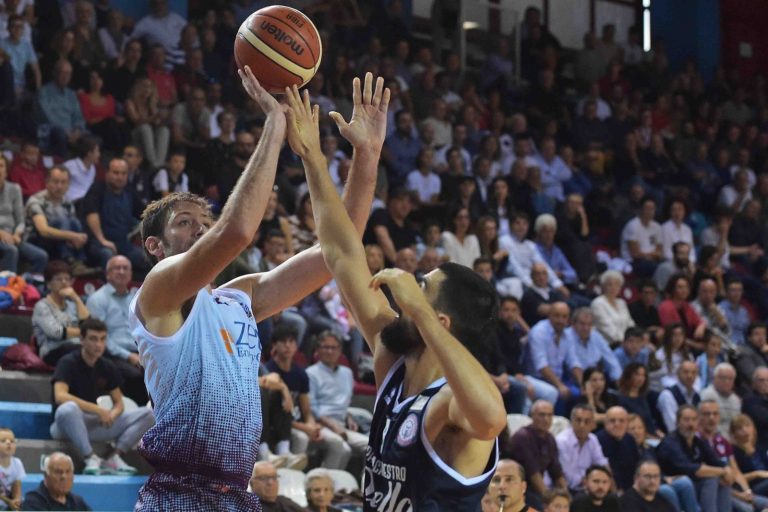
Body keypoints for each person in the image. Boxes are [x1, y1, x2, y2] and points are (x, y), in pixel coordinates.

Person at [129, 70, 387, 509]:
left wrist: (367, 154)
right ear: (155, 245)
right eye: (185, 223)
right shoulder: (158, 292)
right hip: (180, 493)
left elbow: (336, 250)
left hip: (237, 493)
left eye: (204, 223)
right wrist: (274, 124)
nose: (199, 230)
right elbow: (236, 231)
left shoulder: (238, 297)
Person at [285, 75, 506, 510]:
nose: (405, 292)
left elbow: (492, 417)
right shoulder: (394, 361)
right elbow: (341, 251)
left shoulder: (449, 400)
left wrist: (420, 313)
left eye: (421, 290)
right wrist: (319, 157)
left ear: (439, 321)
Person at [51, 318, 154, 475]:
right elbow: (60, 396)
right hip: (65, 425)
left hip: (93, 424)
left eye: (102, 339)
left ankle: (114, 457)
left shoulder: (107, 366)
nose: (98, 344)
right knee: (68, 409)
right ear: (82, 340)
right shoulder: (67, 362)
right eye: (93, 339)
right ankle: (90, 457)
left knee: (149, 414)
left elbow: (119, 403)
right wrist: (98, 410)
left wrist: (112, 414)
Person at [86, 256, 147, 404]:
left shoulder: (135, 299)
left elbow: (144, 330)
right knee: (137, 377)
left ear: (131, 274)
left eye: (125, 268)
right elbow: (98, 336)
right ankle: (140, 416)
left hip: (138, 353)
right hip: (110, 354)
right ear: (107, 274)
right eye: (117, 268)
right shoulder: (97, 299)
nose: (121, 271)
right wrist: (129, 356)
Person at [305, 331, 369, 469]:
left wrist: (348, 416)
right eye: (325, 347)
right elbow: (311, 408)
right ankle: (325, 481)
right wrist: (334, 426)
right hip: (320, 425)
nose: (330, 351)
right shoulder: (311, 373)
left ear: (340, 351)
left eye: (334, 347)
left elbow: (343, 403)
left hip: (341, 424)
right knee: (340, 446)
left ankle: (366, 482)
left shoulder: (347, 373)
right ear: (318, 350)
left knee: (370, 447)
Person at [656, 405, 732, 512]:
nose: (690, 424)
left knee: (721, 479)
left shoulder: (698, 441)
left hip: (692, 483)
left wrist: (727, 470)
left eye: (694, 419)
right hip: (672, 483)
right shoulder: (671, 442)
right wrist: (723, 471)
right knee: (712, 478)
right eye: (686, 420)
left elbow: (716, 461)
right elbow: (693, 469)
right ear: (677, 422)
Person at [698, 400, 768, 511]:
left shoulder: (722, 441)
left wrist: (747, 491)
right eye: (707, 414)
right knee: (747, 509)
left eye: (715, 414)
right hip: (719, 490)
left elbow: (736, 472)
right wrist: (740, 494)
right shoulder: (696, 442)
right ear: (699, 417)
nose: (711, 418)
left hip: (736, 489)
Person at [81, 157, 145, 270]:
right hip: (98, 244)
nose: (120, 177)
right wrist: (102, 240)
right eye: (116, 173)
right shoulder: (97, 189)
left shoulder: (129, 192)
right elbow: (92, 214)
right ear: (107, 173)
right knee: (109, 256)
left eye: (123, 173)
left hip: (124, 244)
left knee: (147, 258)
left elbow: (145, 214)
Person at [510, 400, 568, 507]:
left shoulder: (550, 438)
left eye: (549, 415)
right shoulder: (522, 437)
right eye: (542, 415)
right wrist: (549, 500)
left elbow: (556, 472)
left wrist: (566, 496)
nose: (546, 419)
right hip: (518, 488)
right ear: (532, 416)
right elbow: (533, 474)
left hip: (535, 489)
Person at [32, 260, 89, 365]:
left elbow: (89, 325)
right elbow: (56, 333)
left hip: (77, 347)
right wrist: (82, 332)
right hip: (52, 351)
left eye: (67, 279)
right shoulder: (42, 306)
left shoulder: (73, 305)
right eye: (58, 279)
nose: (64, 282)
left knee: (100, 352)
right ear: (49, 284)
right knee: (83, 353)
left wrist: (76, 299)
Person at [0, 153, 47, 273]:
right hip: (3, 237)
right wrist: (1, 234)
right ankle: (9, 284)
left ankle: (28, 282)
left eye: (1, 166)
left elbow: (20, 220)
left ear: (6, 171)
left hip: (12, 236)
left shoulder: (14, 189)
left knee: (41, 256)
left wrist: (17, 234)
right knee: (11, 250)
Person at [555, 404, 609, 493]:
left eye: (587, 421)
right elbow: (568, 476)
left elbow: (602, 464)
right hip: (565, 489)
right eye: (578, 420)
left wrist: (607, 479)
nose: (582, 425)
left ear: (593, 424)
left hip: (588, 487)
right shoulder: (562, 441)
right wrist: (591, 482)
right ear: (572, 422)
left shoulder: (593, 439)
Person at [566, 308, 622, 384]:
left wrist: (619, 382)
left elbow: (611, 360)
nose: (586, 328)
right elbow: (573, 364)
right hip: (573, 381)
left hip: (595, 379)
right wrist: (585, 386)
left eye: (589, 324)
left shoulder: (596, 336)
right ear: (573, 324)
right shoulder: (566, 336)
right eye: (582, 324)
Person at [21, 452, 91, 511]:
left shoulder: (78, 502)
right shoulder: (33, 501)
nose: (64, 477)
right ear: (46, 475)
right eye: (58, 472)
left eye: (68, 472)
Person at [590, 270, 635, 346]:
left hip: (627, 344)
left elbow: (630, 323)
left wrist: (636, 339)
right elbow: (607, 329)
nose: (613, 288)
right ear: (603, 287)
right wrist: (627, 343)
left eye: (617, 284)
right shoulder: (598, 303)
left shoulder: (621, 302)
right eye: (609, 284)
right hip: (608, 344)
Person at [656, 360, 701, 433]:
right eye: (686, 372)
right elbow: (672, 426)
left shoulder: (697, 396)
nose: (690, 376)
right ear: (678, 374)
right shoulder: (667, 395)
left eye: (693, 373)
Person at [700, 362, 741, 439]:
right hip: (712, 438)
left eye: (730, 379)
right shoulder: (706, 396)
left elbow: (736, 424)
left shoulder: (735, 400)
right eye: (723, 378)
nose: (727, 382)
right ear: (714, 378)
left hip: (733, 439)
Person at [734, 323, 768, 395]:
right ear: (749, 338)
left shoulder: (764, 351)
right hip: (752, 394)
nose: (761, 337)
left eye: (763, 334)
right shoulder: (744, 353)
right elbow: (754, 378)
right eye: (757, 334)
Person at [742, 367, 768, 450]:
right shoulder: (749, 399)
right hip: (759, 442)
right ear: (754, 382)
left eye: (767, 380)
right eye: (761, 380)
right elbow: (763, 418)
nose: (765, 383)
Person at [0, 427, 24, 511]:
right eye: (3, 441)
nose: (8, 443)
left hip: (8, 505)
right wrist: (9, 502)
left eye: (12, 441)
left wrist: (16, 502)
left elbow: (17, 489)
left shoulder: (17, 463)